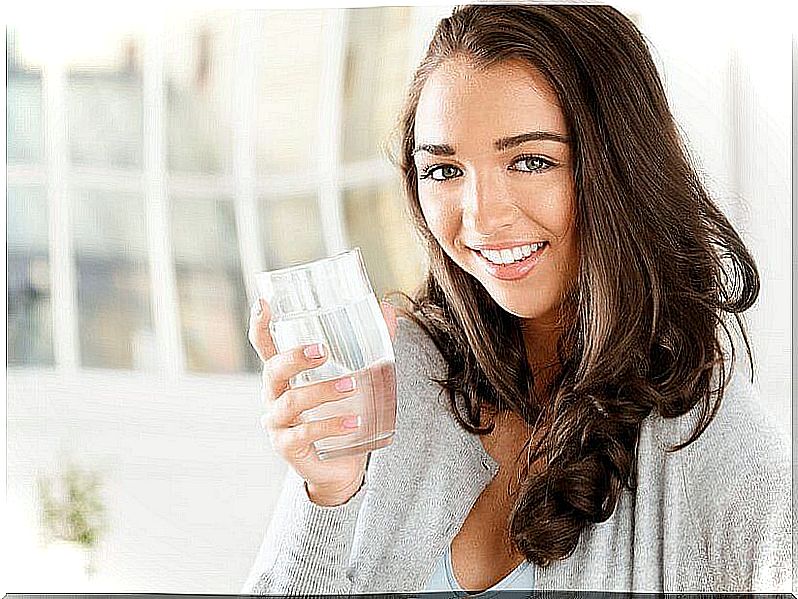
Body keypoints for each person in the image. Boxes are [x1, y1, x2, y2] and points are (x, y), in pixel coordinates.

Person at [242, 5, 790, 594]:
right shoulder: (403, 379)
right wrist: (330, 494)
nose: (481, 216)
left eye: (531, 162)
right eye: (444, 169)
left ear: (621, 169)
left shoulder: (709, 443)